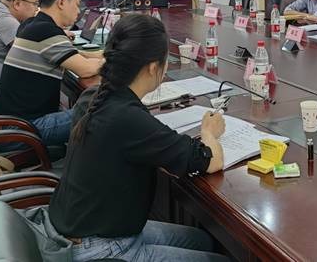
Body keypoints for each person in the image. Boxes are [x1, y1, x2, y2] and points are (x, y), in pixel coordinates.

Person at [49, 14, 227, 262]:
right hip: (102, 249)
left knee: (202, 240)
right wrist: (209, 132)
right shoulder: (126, 117)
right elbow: (210, 160)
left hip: (84, 227)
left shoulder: (97, 95)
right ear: (153, 67)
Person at [0, 0, 103, 147]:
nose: (78, 11)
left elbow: (74, 54)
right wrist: (119, 59)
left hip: (6, 124)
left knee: (92, 108)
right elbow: (86, 70)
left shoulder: (32, 24)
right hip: (20, 130)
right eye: (76, 4)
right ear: (62, 2)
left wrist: (100, 55)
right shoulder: (46, 30)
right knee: (103, 110)